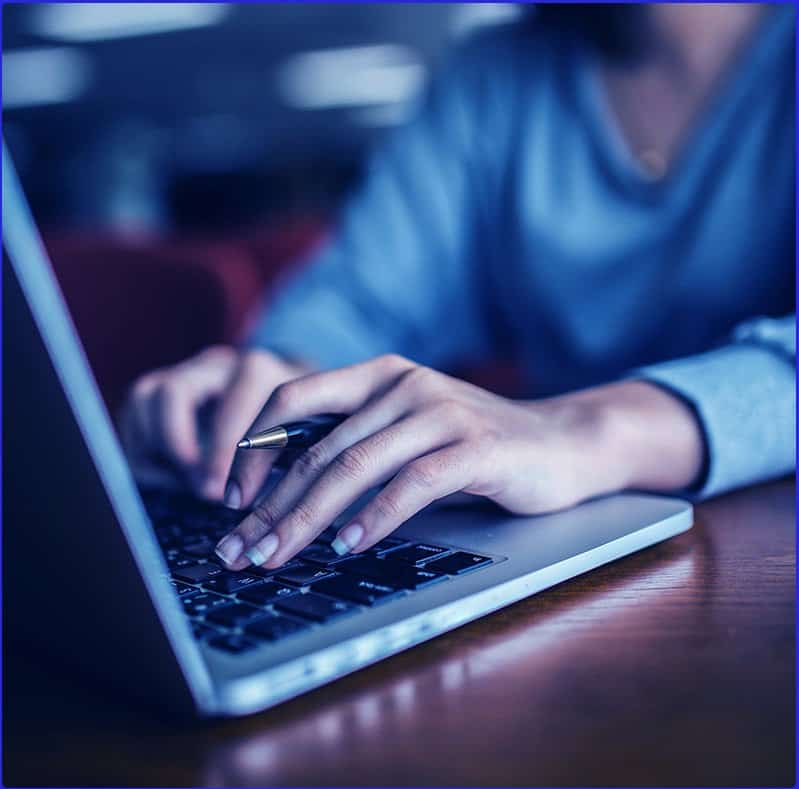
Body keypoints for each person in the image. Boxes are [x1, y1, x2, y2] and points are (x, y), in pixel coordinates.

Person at [121, 3, 795, 571]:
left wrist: (589, 428)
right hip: (553, 549)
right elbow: (360, 295)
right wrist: (283, 384)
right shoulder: (494, 76)